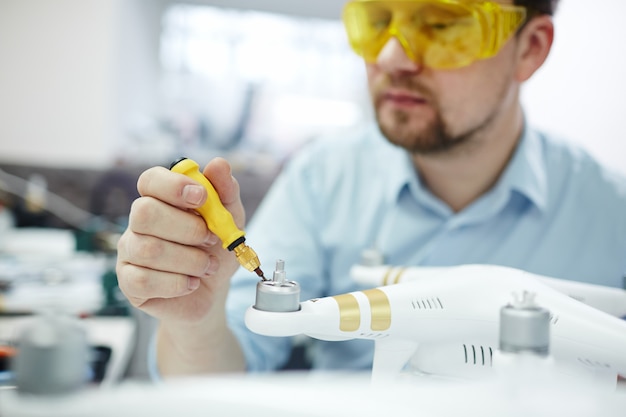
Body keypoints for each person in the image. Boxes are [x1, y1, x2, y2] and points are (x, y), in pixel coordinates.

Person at [116, 0, 626, 377]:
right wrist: (195, 321)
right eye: (377, 21)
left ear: (530, 49)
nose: (391, 56)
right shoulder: (323, 177)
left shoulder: (612, 216)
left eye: (444, 24)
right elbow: (225, 377)